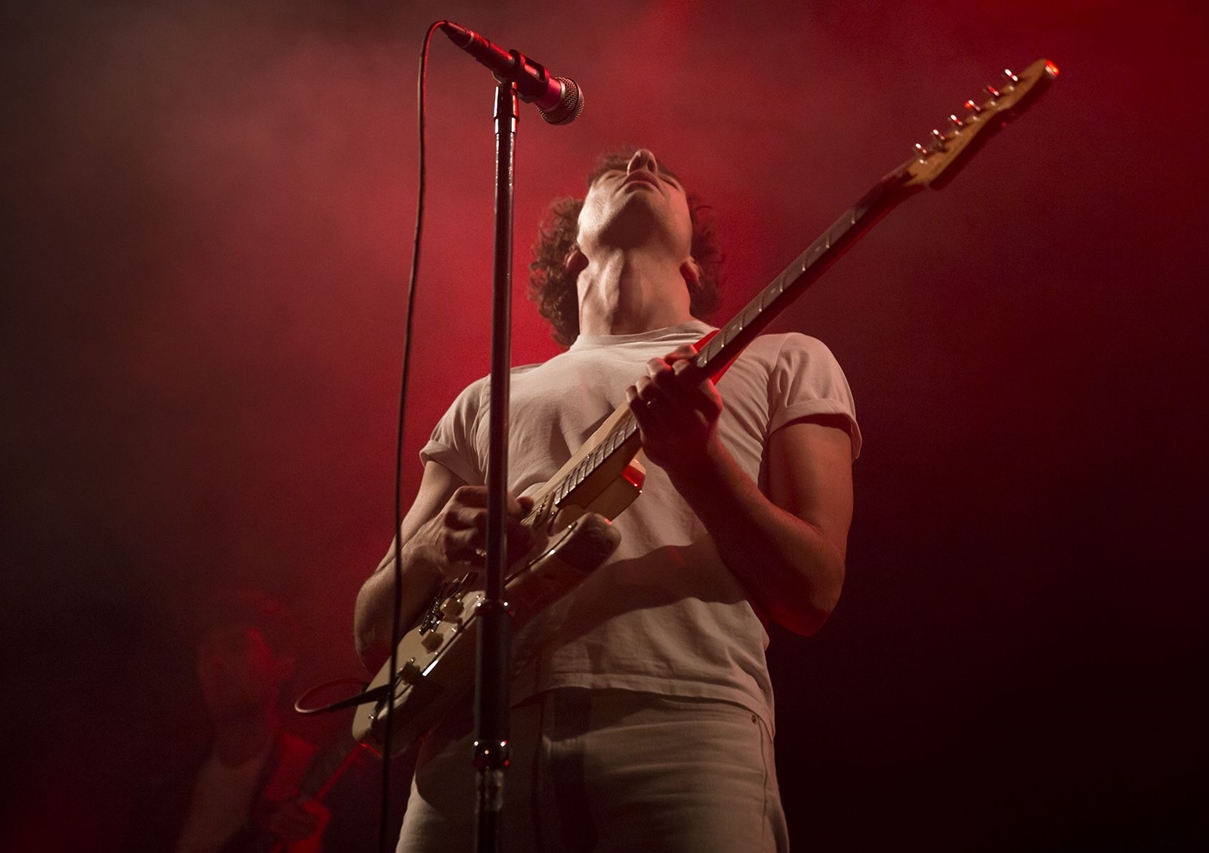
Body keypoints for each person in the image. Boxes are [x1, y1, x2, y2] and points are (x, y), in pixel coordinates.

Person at [353, 148, 860, 852]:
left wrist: (700, 463)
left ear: (695, 266)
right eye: (609, 173)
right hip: (466, 747)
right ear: (571, 253)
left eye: (670, 176)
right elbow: (372, 629)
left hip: (683, 721)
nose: (642, 157)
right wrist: (439, 544)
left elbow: (814, 589)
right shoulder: (488, 398)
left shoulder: (785, 360)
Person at [127, 589, 334, 853]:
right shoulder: (158, 800)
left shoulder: (325, 779)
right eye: (205, 653)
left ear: (283, 663)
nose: (215, 661)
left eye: (236, 646)